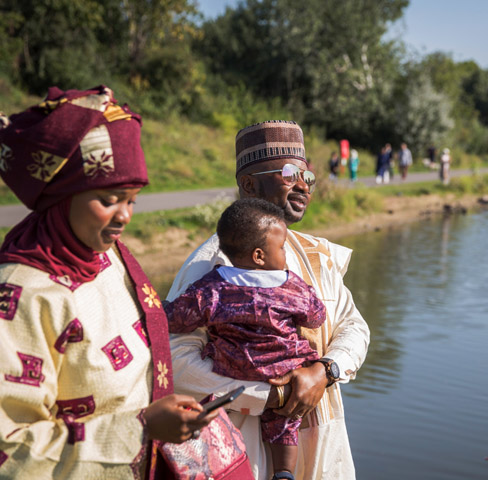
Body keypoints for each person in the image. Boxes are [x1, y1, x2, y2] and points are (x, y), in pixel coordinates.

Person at [0, 86, 219, 478]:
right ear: (60, 197)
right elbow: (10, 448)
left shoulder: (107, 256)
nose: (125, 216)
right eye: (109, 199)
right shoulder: (22, 296)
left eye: (132, 200)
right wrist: (141, 428)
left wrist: (161, 411)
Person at [167, 120, 370, 480]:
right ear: (248, 185)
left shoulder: (312, 253)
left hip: (324, 440)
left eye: (307, 176)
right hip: (245, 448)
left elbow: (353, 326)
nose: (302, 185)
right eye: (290, 173)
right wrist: (270, 397)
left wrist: (325, 371)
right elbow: (176, 365)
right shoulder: (213, 266)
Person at [165, 198, 327, 480]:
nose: (286, 253)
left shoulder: (213, 286)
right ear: (259, 256)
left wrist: (155, 306)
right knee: (285, 420)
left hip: (235, 365)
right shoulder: (290, 286)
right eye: (282, 247)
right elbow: (316, 316)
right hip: (282, 372)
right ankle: (285, 472)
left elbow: (178, 318)